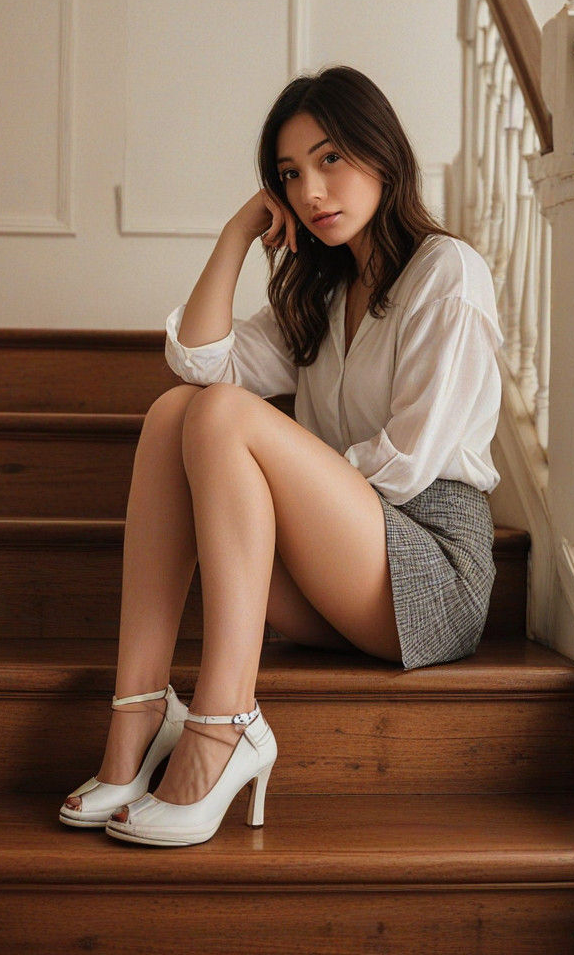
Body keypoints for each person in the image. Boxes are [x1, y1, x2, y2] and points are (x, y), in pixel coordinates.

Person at [60, 66, 503, 847]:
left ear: (383, 154)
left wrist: (285, 483)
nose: (310, 191)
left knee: (226, 420)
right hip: (343, 566)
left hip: (430, 569)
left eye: (330, 159)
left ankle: (225, 722)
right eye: (291, 174)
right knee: (175, 415)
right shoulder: (322, 295)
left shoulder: (448, 274)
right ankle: (135, 718)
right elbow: (198, 361)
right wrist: (236, 233)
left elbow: (405, 466)